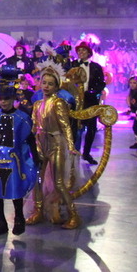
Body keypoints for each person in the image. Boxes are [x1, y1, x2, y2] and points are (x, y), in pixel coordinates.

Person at [27, 62, 80, 229]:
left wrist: (71, 146)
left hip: (56, 144)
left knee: (58, 183)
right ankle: (38, 211)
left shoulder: (58, 103)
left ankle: (73, 215)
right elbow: (34, 128)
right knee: (38, 179)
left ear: (56, 86)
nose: (46, 86)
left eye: (50, 84)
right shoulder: (36, 105)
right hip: (40, 144)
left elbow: (66, 127)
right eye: (44, 83)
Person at [0, 86, 36, 235]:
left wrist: (35, 157)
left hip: (14, 159)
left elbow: (29, 139)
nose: (3, 102)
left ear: (13, 99)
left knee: (16, 190)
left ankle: (19, 218)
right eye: (0, 99)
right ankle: (1, 220)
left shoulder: (22, 118)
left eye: (6, 99)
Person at [69, 41, 106, 164]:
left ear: (89, 53)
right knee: (75, 127)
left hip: (90, 100)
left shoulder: (96, 67)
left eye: (83, 50)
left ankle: (86, 153)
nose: (81, 53)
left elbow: (101, 83)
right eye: (79, 51)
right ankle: (74, 151)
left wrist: (92, 92)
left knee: (91, 128)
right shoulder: (72, 65)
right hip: (75, 100)